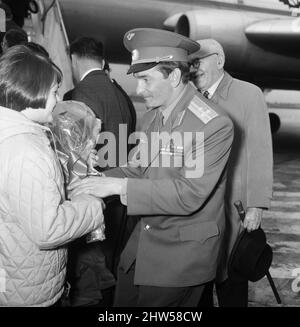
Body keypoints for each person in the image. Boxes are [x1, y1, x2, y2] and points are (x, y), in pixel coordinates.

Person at [69, 28, 234, 307]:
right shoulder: (154, 118)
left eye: (146, 79)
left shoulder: (212, 125)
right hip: (142, 246)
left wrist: (118, 187)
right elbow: (138, 169)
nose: (138, 89)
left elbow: (188, 194)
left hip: (180, 258)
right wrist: (92, 179)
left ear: (175, 76)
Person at [0, 45, 105, 306]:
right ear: (32, 90)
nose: (58, 100)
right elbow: (48, 229)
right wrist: (93, 206)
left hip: (15, 273)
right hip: (28, 290)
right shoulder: (27, 150)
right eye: (54, 91)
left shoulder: (14, 136)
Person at [189, 39, 273, 307]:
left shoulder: (249, 95)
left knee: (231, 285)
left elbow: (259, 151)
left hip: (233, 211)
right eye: (191, 63)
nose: (194, 68)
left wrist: (256, 205)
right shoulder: (191, 100)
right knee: (197, 285)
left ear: (219, 60)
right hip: (199, 210)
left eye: (198, 61)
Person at [65, 36, 136, 306]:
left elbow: (74, 157)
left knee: (90, 274)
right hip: (120, 195)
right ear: (102, 61)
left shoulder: (80, 96)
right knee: (111, 266)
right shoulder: (121, 94)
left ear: (74, 59)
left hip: (93, 198)